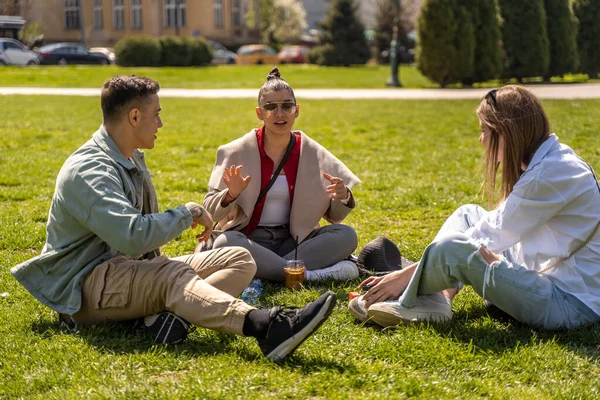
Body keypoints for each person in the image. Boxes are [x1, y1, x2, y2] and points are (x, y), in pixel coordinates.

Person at [10, 74, 337, 361]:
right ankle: (268, 327)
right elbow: (131, 235)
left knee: (239, 259)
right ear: (134, 116)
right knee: (170, 275)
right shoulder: (90, 170)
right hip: (84, 286)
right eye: (157, 115)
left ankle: (164, 317)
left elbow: (137, 247)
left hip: (127, 270)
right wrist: (189, 212)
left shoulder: (129, 157)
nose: (161, 124)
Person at [349, 85, 600, 330]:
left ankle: (413, 298)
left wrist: (403, 277)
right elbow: (492, 229)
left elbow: (489, 236)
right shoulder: (550, 160)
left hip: (568, 303)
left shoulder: (552, 174)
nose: (482, 140)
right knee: (467, 214)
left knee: (455, 247)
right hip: (541, 275)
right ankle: (439, 300)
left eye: (485, 131)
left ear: (507, 132)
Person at [201, 67, 361, 282]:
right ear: (259, 113)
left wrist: (343, 196)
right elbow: (210, 212)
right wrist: (230, 195)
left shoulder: (313, 152)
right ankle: (307, 275)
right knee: (225, 242)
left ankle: (270, 270)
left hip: (295, 240)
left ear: (297, 110)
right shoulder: (235, 151)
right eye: (271, 107)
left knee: (346, 235)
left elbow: (335, 216)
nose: (280, 114)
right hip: (250, 239)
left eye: (287, 106)